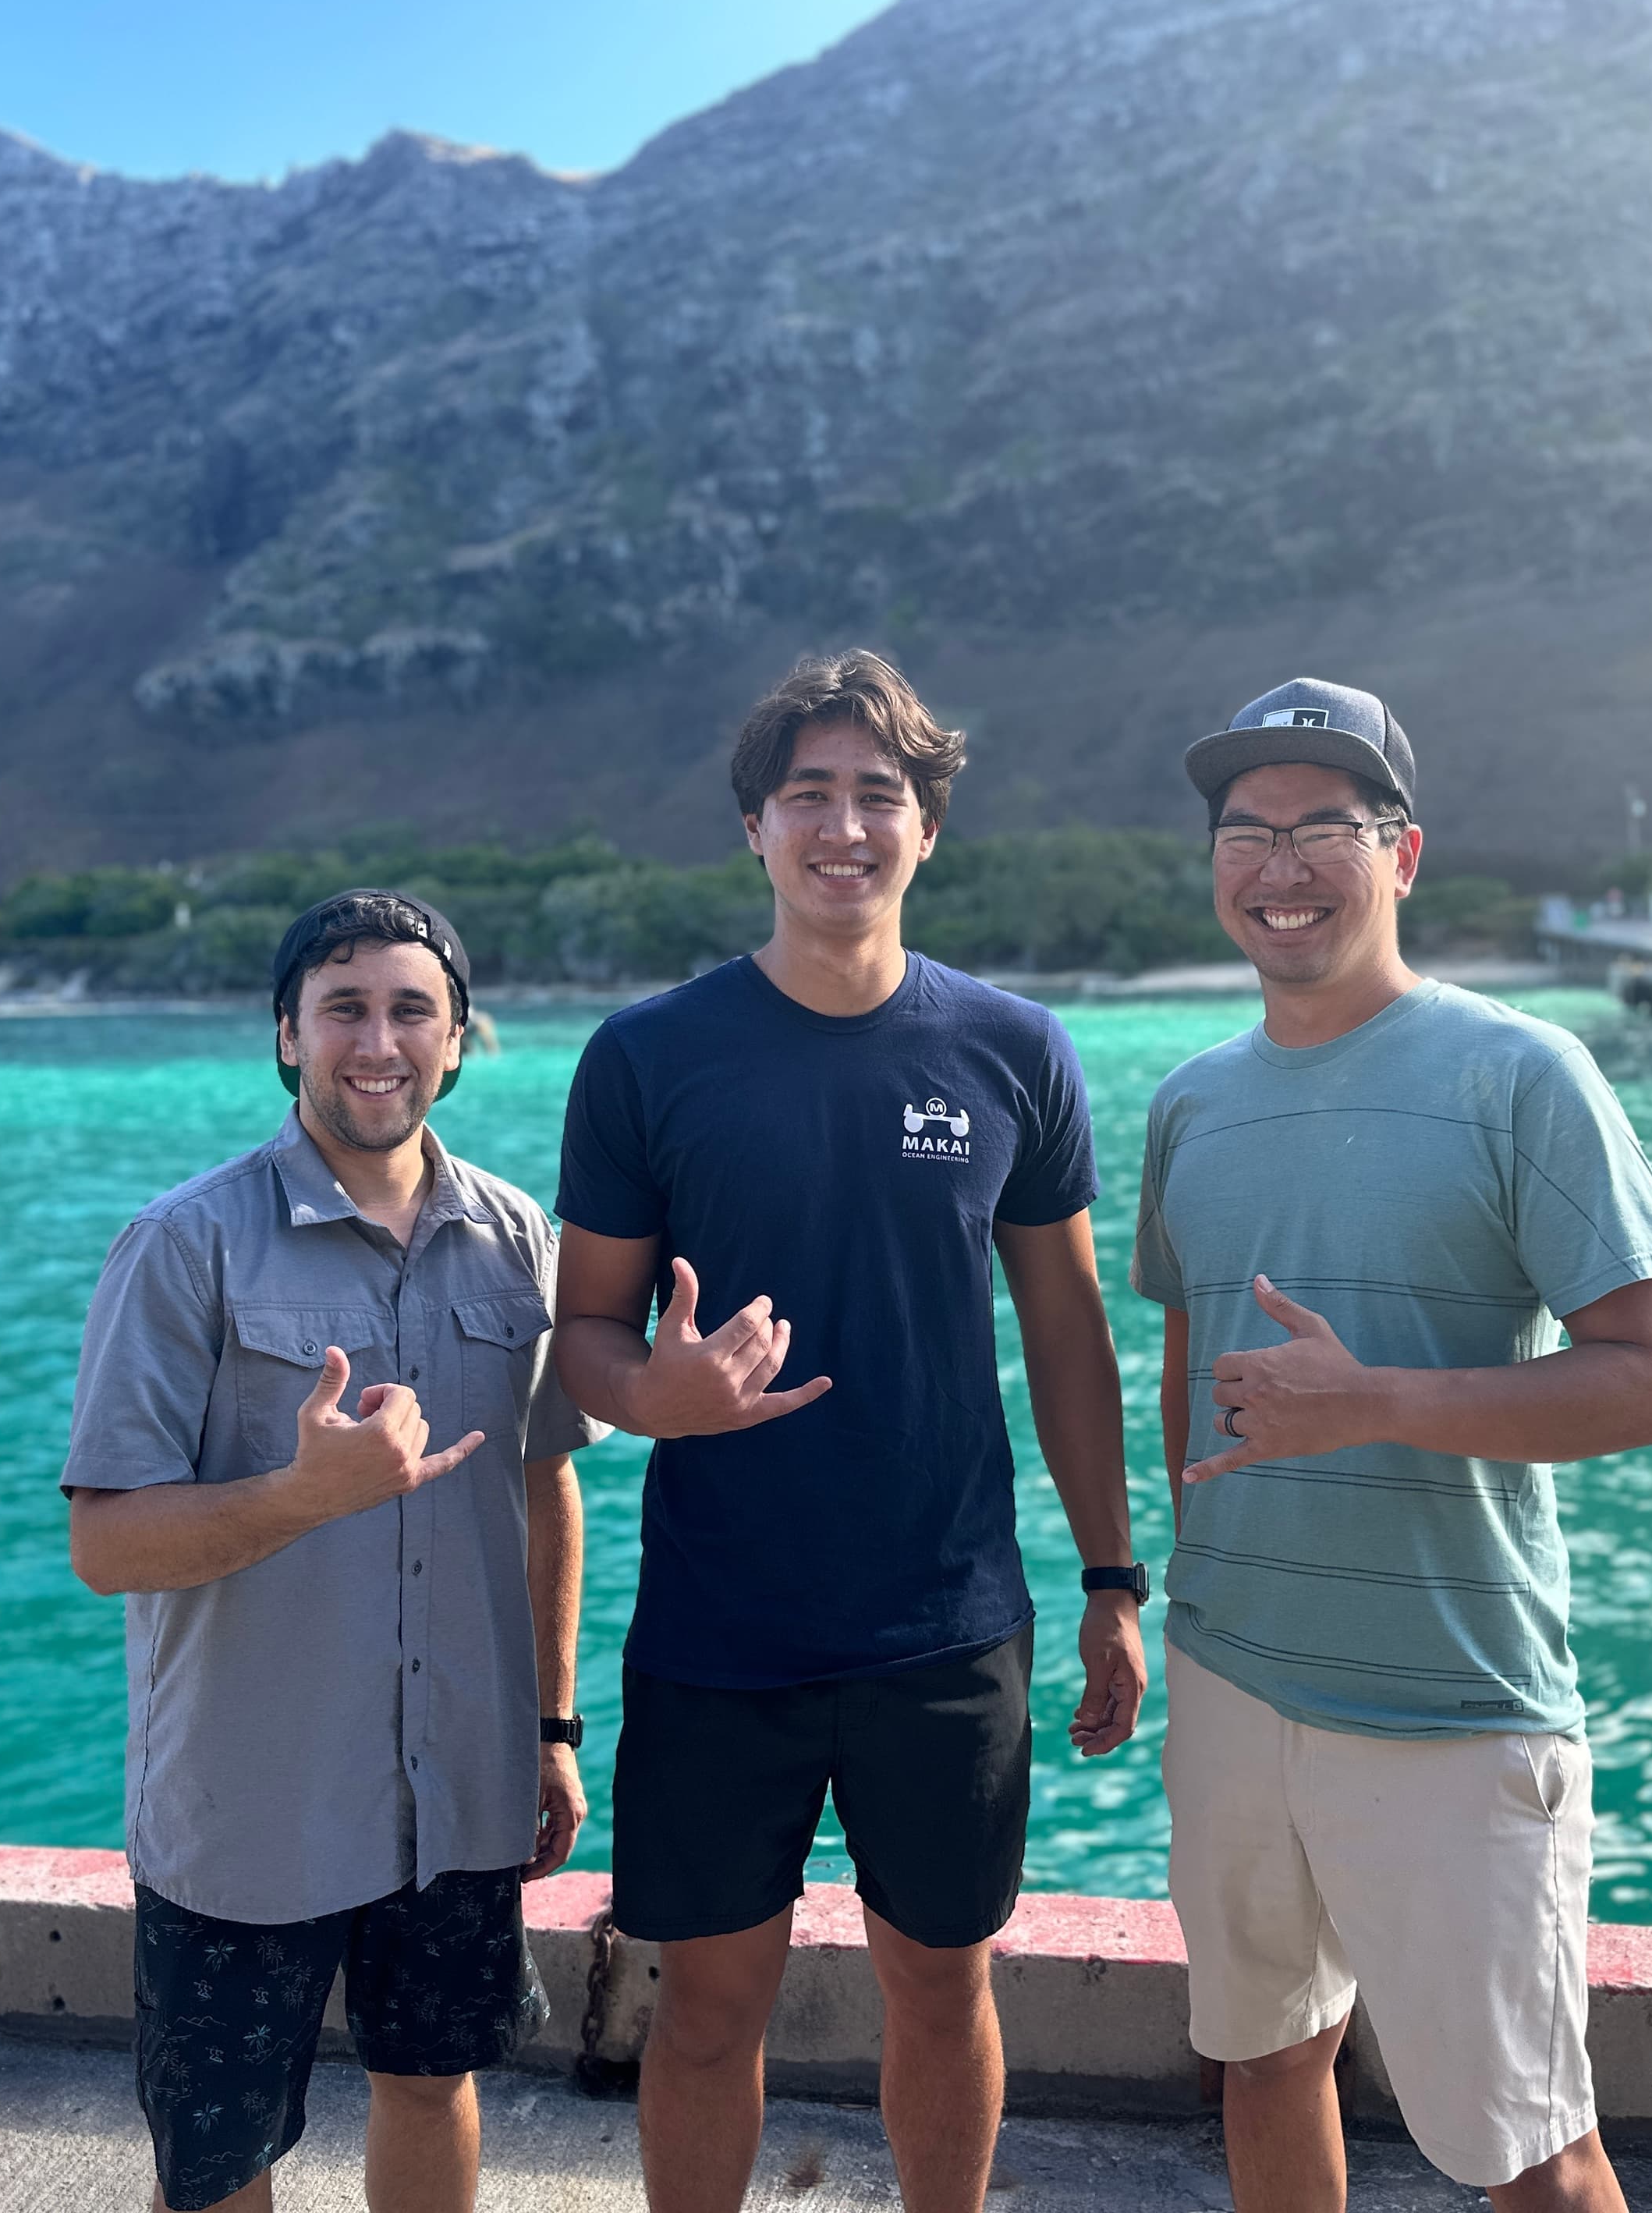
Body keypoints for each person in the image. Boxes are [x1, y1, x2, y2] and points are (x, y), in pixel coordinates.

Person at [551, 651, 1148, 2213]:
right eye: (807, 792)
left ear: (928, 828)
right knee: (709, 2006)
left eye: (879, 793)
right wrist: (653, 1400)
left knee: (942, 1992)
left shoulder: (1013, 1050)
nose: (843, 823)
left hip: (945, 1628)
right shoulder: (647, 1058)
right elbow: (586, 1331)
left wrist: (1112, 1582)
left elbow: (1069, 1336)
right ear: (753, 827)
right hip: (717, 1630)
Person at [1131, 680, 1652, 2213]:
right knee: (1263, 2061)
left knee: (1531, 2149)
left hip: (1453, 1706)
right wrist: (1160, 1593)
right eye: (1247, 831)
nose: (1282, 863)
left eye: (1325, 825)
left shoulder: (1520, 1077)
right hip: (1229, 1674)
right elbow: (1189, 1351)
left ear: (1404, 852)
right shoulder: (1190, 1105)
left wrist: (1379, 1402)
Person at [62, 889, 599, 2213]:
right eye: (343, 1008)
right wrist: (305, 1496)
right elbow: (107, 1543)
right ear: (288, 1036)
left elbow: (546, 1493)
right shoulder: (186, 1244)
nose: (379, 1041)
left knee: (435, 2079)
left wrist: (551, 1725)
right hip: (252, 1801)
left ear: (461, 1038)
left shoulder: (519, 1241)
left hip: (456, 1786)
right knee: (223, 2144)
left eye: (412, 1009)